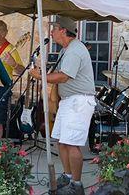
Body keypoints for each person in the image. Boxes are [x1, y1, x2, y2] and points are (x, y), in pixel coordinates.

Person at [30, 16, 96, 195]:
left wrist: (40, 76)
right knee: (61, 140)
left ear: (64, 31)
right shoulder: (65, 51)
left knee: (72, 143)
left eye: (54, 28)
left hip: (79, 101)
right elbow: (59, 75)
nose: (51, 32)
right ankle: (68, 177)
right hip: (70, 101)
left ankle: (76, 184)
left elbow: (64, 76)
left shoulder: (74, 50)